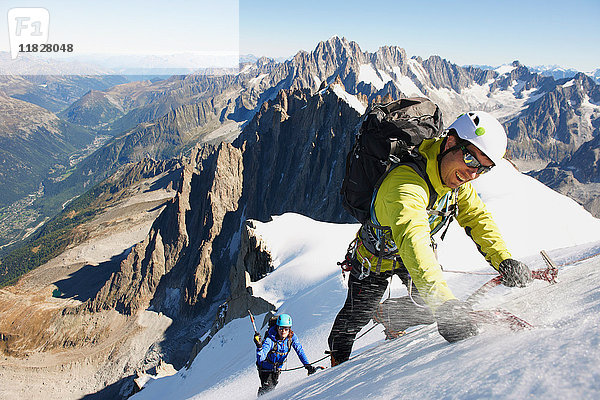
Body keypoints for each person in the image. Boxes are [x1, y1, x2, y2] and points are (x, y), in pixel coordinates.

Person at [328, 111, 533, 366]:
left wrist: (504, 259)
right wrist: (445, 305)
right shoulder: (405, 186)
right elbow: (414, 243)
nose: (472, 173)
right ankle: (336, 364)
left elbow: (476, 218)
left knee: (427, 308)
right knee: (354, 320)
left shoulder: (454, 182)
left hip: (402, 257)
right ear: (449, 143)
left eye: (483, 168)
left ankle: (389, 314)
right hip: (374, 262)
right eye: (469, 159)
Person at [256, 313, 317, 396]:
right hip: (265, 368)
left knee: (271, 388)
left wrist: (307, 365)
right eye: (281, 328)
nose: (283, 331)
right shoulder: (270, 339)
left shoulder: (292, 337)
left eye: (286, 329)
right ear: (277, 327)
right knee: (268, 390)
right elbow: (261, 358)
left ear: (289, 329)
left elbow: (299, 351)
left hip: (277, 369)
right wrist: (259, 347)